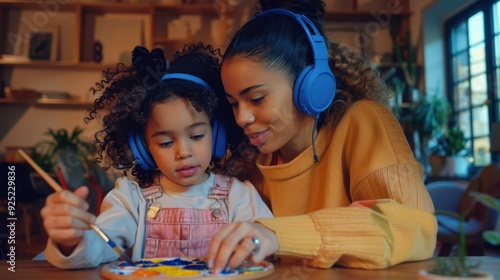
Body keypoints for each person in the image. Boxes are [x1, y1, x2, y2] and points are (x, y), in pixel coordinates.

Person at [207, 0, 437, 272]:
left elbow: (417, 227)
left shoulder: (362, 122)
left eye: (256, 98)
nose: (241, 117)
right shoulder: (254, 159)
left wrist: (277, 234)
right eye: (234, 103)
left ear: (311, 85)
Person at [40, 43, 273, 269]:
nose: (183, 152)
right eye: (166, 142)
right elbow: (98, 249)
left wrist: (254, 248)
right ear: (143, 148)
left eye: (197, 136)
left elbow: (269, 250)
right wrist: (70, 242)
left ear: (218, 135)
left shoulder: (240, 197)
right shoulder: (131, 201)